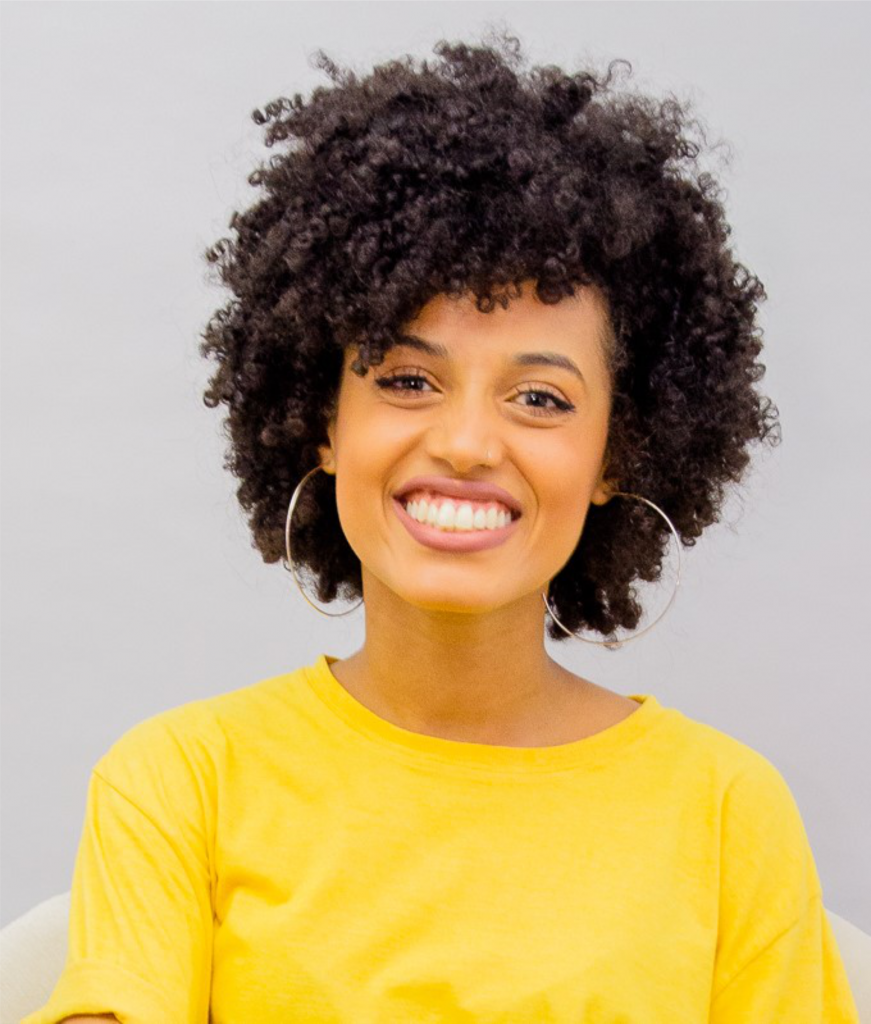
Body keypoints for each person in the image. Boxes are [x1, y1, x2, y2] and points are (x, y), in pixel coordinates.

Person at [26, 28, 859, 1023]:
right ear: (324, 421)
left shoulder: (726, 811)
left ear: (618, 453)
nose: (465, 443)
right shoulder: (182, 781)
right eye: (407, 380)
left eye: (540, 399)